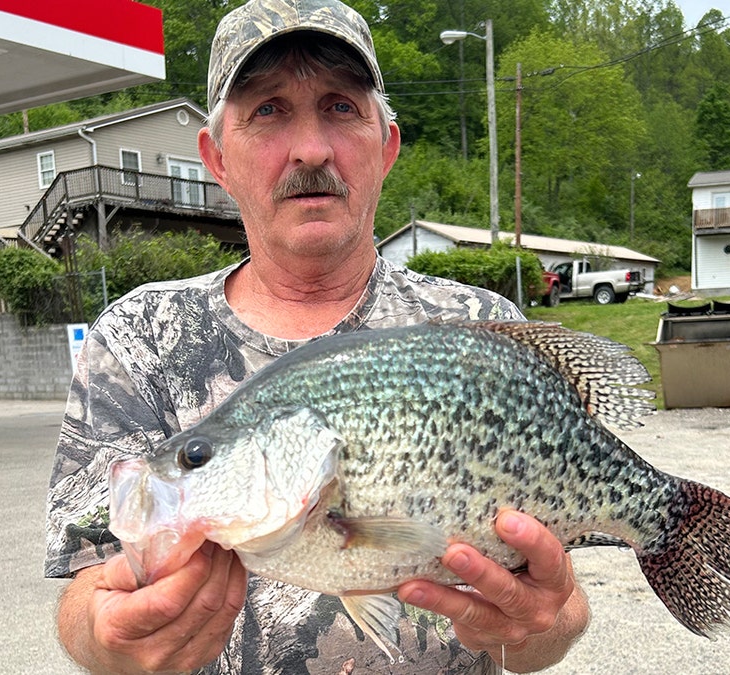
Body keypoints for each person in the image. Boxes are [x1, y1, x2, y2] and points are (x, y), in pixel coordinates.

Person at [45, 0, 590, 672]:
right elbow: (87, 588)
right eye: (268, 110)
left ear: (386, 147)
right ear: (217, 158)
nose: (310, 148)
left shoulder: (480, 328)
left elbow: (557, 615)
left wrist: (539, 626)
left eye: (340, 106)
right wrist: (105, 638)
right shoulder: (137, 340)